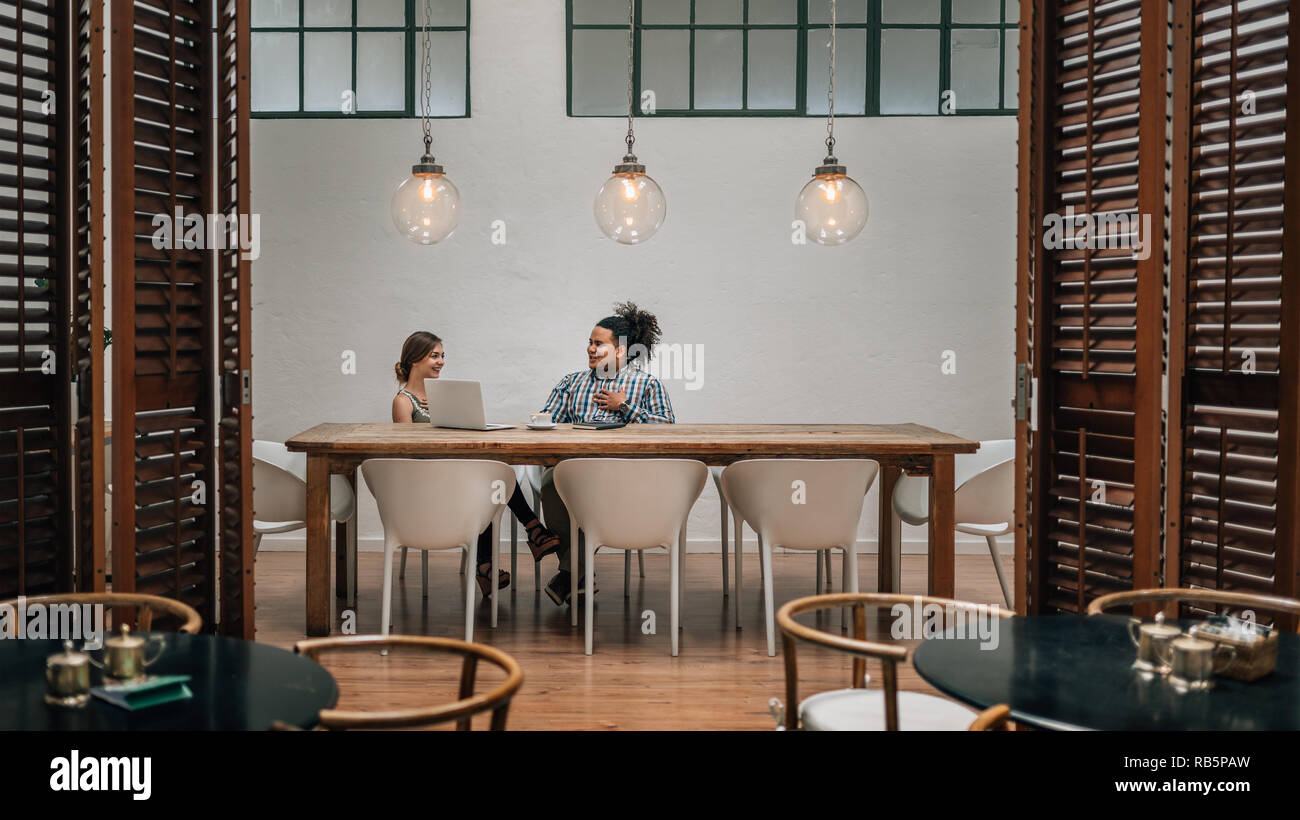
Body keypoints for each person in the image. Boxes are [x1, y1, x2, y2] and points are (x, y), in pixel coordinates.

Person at [392, 331, 560, 594]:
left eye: (442, 356)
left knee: (493, 480)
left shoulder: (442, 395)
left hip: (453, 474)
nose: (441, 361)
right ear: (414, 359)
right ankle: (532, 530)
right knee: (488, 484)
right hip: (428, 483)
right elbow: (410, 453)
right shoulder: (403, 402)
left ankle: (489, 563)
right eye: (434, 356)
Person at [535, 303, 675, 606]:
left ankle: (571, 575)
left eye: (599, 344)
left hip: (626, 480)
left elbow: (667, 430)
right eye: (589, 342)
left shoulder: (646, 384)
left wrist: (625, 406)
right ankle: (577, 575)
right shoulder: (572, 383)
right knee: (550, 483)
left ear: (621, 351)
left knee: (591, 496)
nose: (590, 348)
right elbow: (547, 421)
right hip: (574, 474)